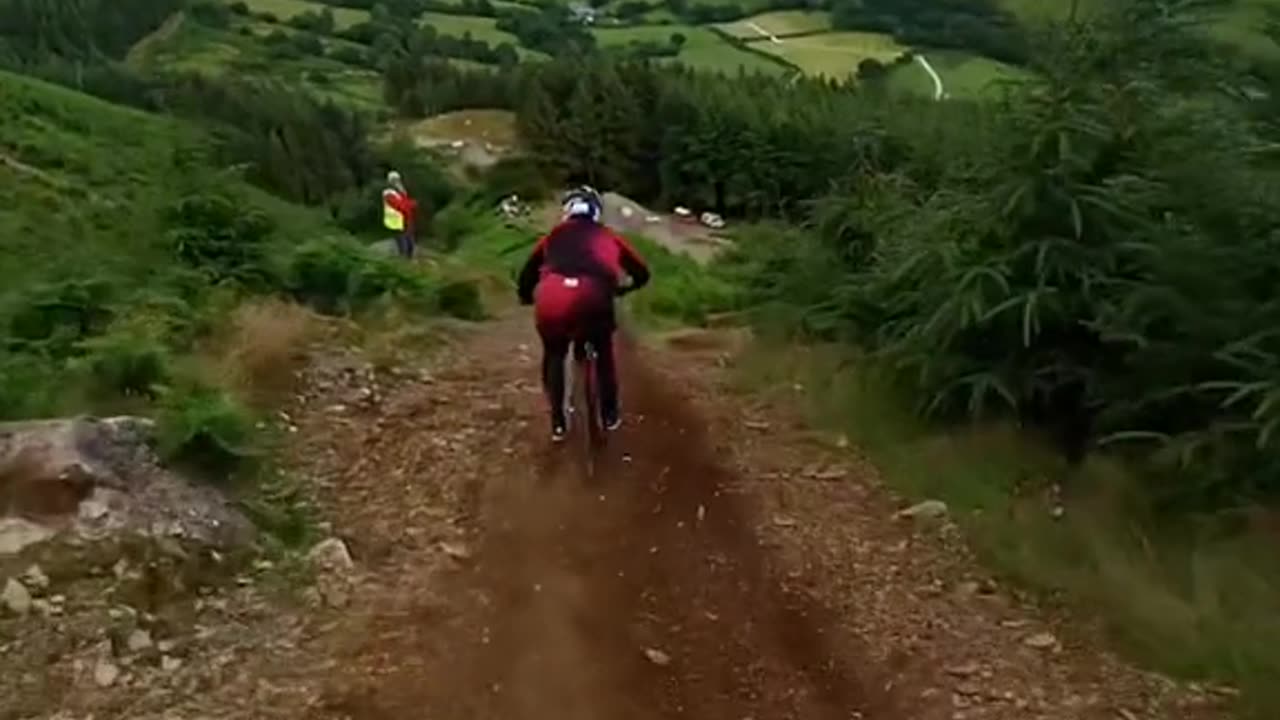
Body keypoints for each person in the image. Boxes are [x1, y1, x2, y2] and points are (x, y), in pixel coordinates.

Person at [517, 186, 650, 442]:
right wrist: (626, 288)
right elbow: (642, 272)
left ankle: (558, 421)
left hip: (552, 299)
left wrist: (525, 296)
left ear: (566, 212)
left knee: (554, 354)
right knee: (603, 352)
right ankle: (609, 413)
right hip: (595, 296)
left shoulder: (552, 237)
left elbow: (527, 274)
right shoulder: (608, 235)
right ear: (597, 212)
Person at [382, 171, 417, 259]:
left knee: (410, 245)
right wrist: (412, 204)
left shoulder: (400, 191)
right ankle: (403, 263)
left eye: (397, 179)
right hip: (397, 223)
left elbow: (405, 202)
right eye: (394, 180)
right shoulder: (389, 193)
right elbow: (400, 206)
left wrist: (410, 203)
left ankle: (409, 262)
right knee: (403, 246)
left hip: (406, 221)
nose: (397, 182)